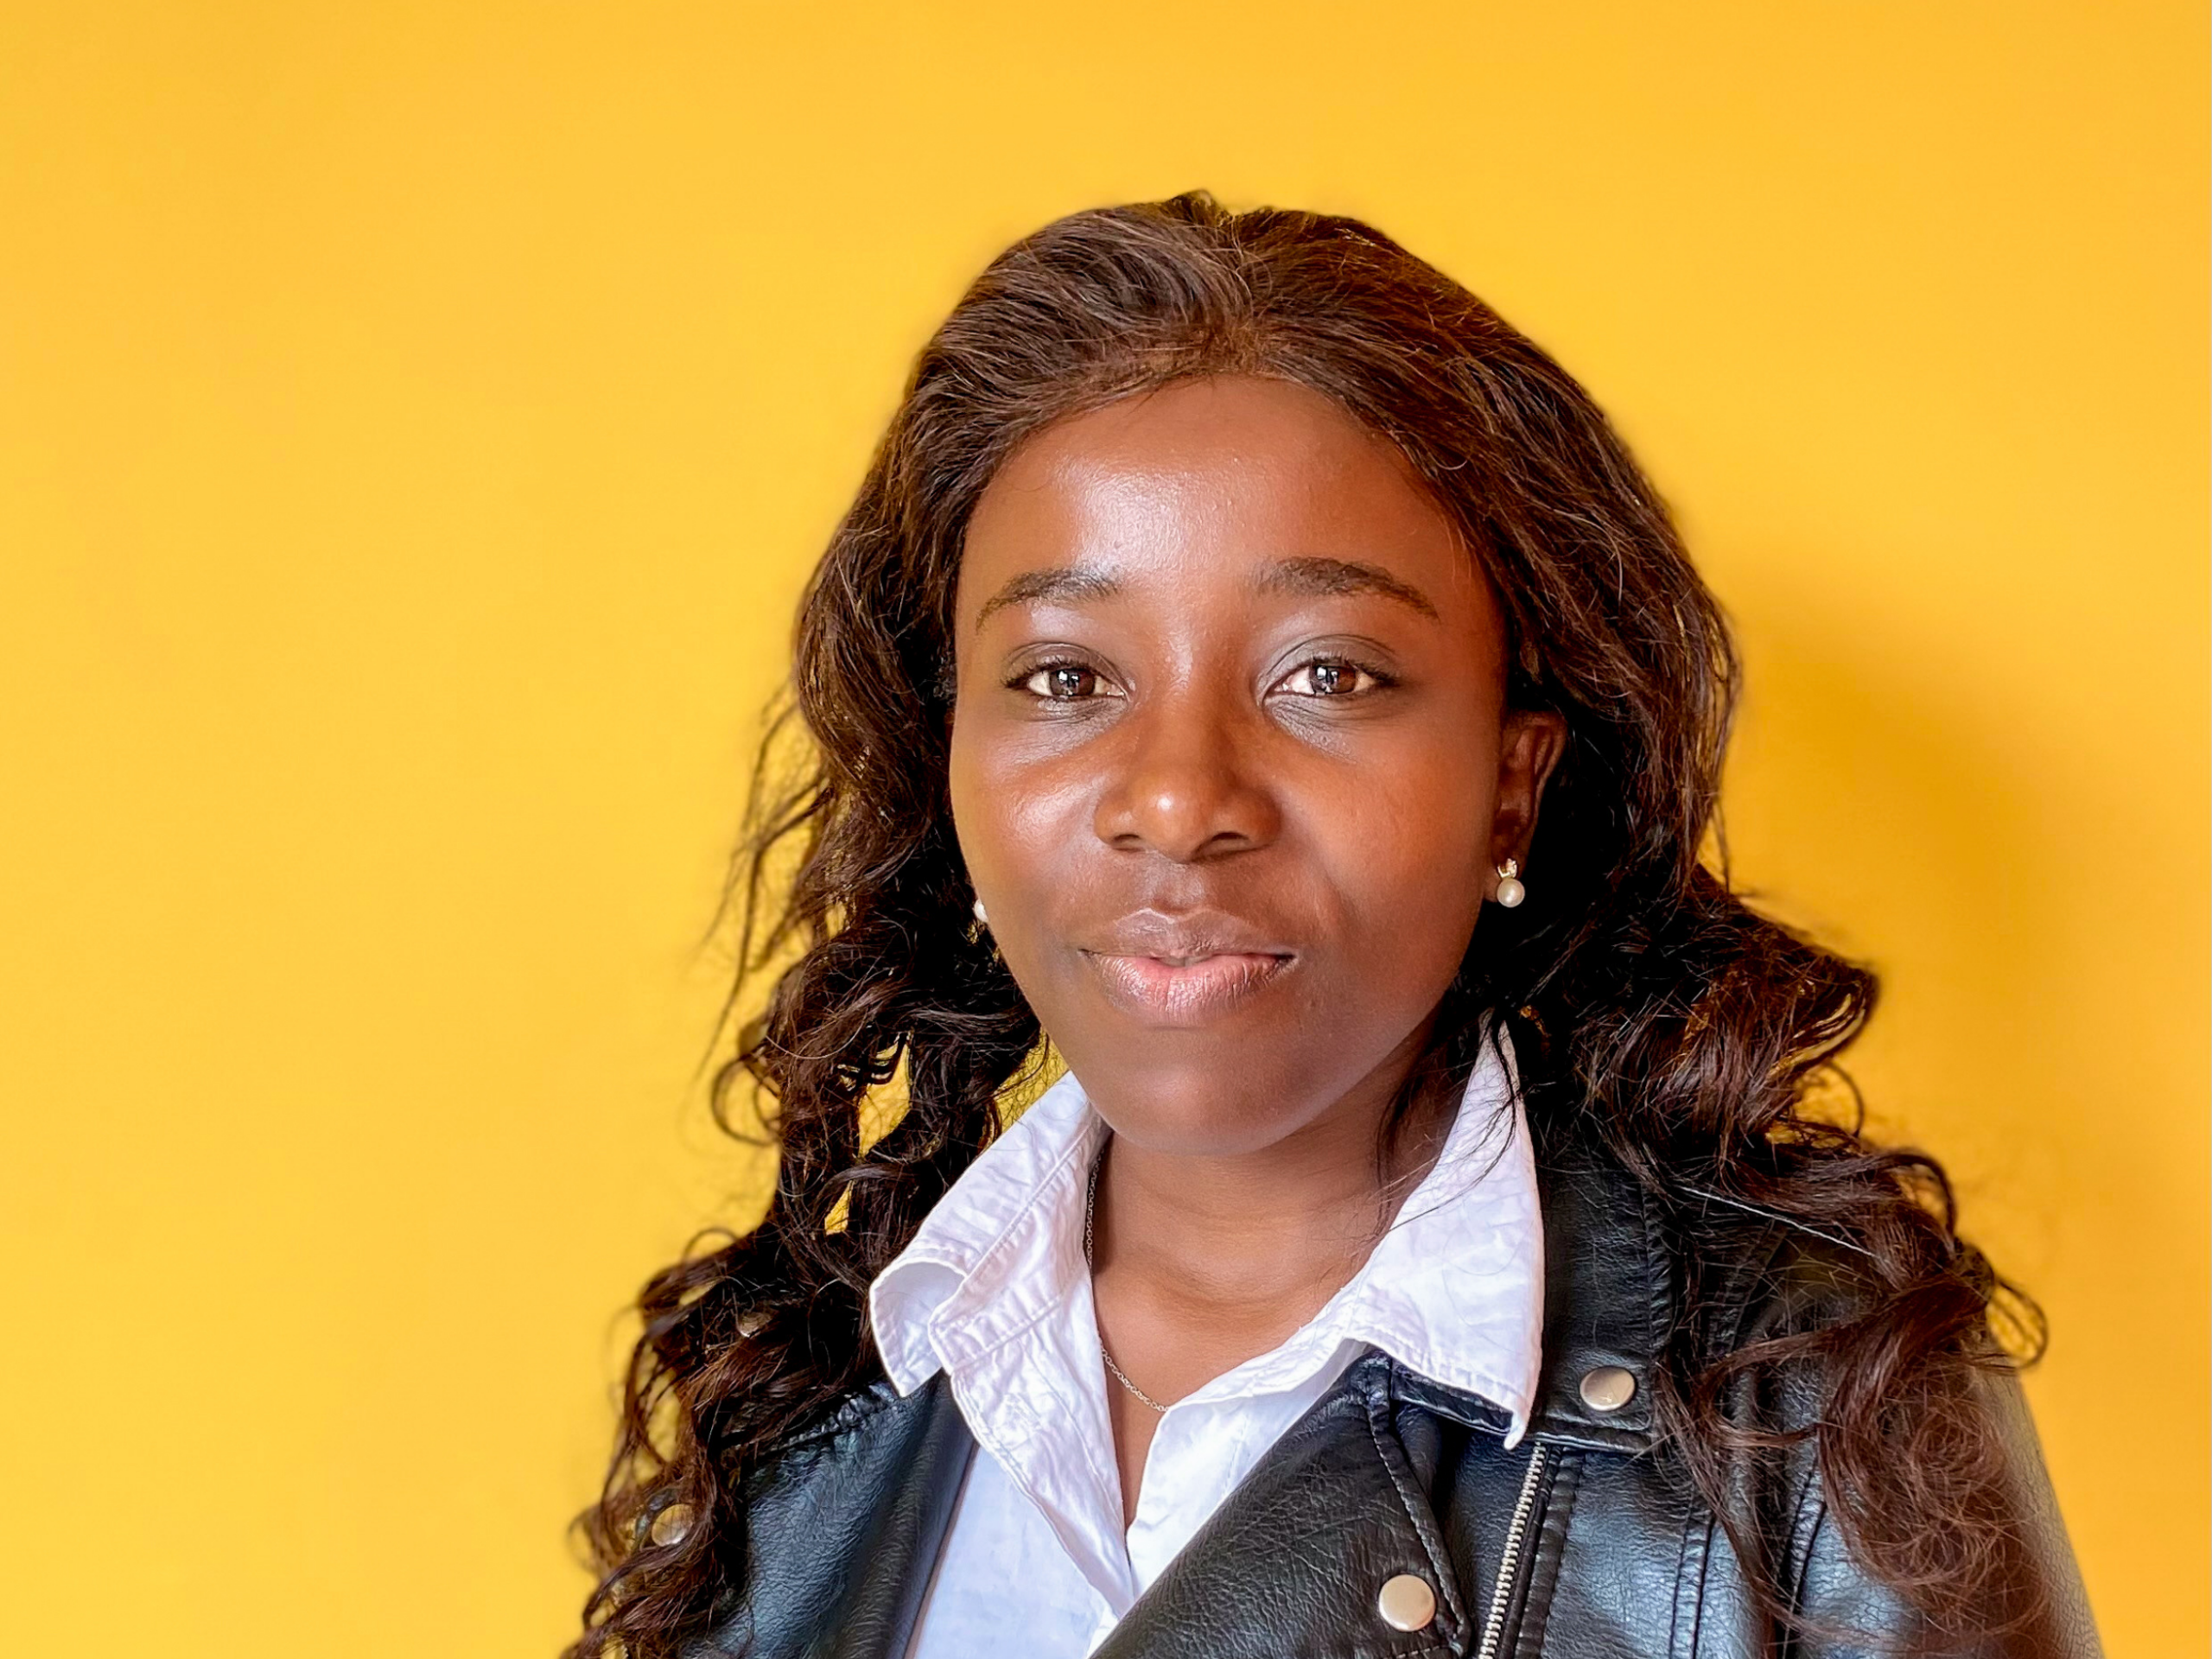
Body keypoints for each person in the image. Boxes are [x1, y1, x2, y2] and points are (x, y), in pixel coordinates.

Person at [566, 192, 2100, 1659]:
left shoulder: (1813, 1403)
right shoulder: (806, 1382)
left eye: (1328, 675)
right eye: (1063, 679)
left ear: (1512, 786)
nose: (1179, 801)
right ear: (946, 760)